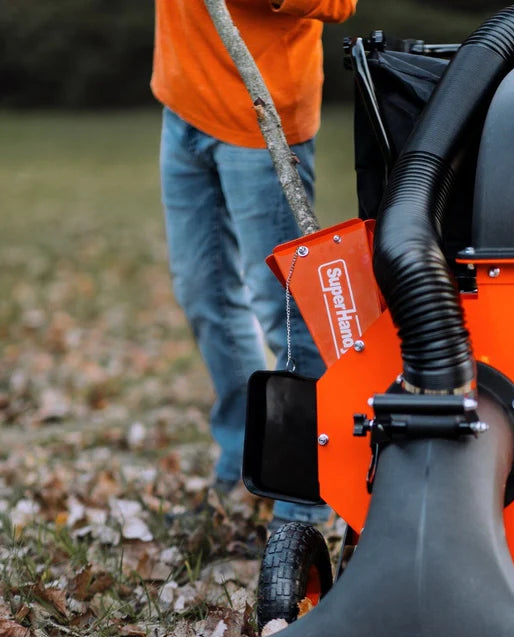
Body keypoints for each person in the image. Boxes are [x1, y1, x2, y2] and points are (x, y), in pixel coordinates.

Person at [151, 0, 357, 529]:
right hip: (183, 104)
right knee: (205, 296)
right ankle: (246, 465)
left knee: (287, 311)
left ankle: (304, 501)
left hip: (262, 117)